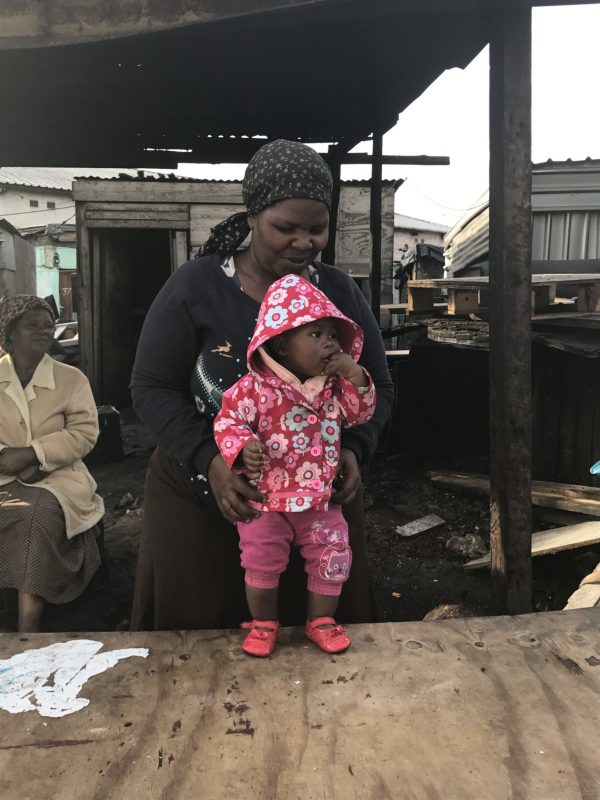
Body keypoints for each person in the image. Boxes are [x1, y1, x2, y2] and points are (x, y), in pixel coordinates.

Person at [130, 138, 393, 632]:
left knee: (315, 640)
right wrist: (210, 458)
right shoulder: (196, 287)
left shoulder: (336, 291)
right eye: (285, 228)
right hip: (202, 499)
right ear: (252, 218)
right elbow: (151, 387)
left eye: (316, 229)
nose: (303, 242)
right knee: (199, 645)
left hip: (316, 501)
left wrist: (355, 448)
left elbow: (376, 382)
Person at [214, 275, 376, 656]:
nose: (330, 343)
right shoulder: (252, 389)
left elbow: (360, 416)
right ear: (282, 344)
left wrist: (357, 377)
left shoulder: (335, 388)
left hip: (321, 500)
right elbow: (226, 420)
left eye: (333, 335)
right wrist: (242, 448)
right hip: (265, 500)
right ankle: (263, 623)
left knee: (332, 558)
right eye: (316, 334)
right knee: (261, 563)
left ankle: (320, 621)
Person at [0, 295, 104, 632]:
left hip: (58, 478)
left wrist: (33, 453)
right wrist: (7, 458)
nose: (43, 332)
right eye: (32, 326)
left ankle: (27, 629)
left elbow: (85, 433)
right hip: (2, 475)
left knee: (35, 518)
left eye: (47, 325)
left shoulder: (71, 379)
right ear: (10, 333)